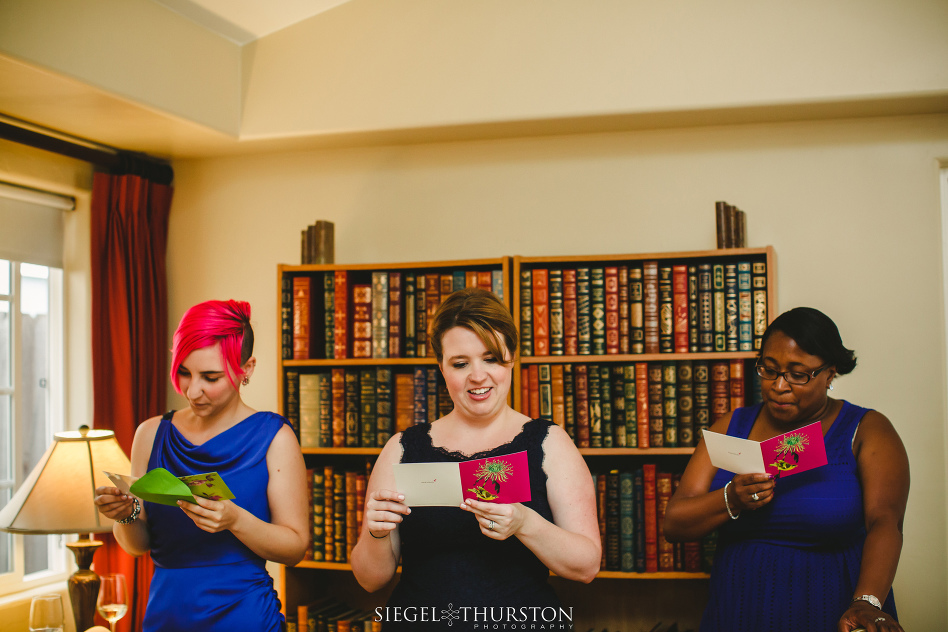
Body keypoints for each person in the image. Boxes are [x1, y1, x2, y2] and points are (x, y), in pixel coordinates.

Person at [350, 287, 601, 630]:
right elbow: (370, 580)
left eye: (492, 358)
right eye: (460, 363)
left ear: (511, 357)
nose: (478, 376)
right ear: (441, 367)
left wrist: (525, 524)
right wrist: (376, 533)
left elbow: (587, 566)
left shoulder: (550, 443)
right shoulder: (402, 449)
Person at [664, 307, 909, 632]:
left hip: (830, 608)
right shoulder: (731, 426)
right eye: (769, 369)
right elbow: (674, 524)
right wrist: (731, 499)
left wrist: (867, 601)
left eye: (798, 374)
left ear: (830, 373)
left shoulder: (866, 430)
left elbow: (885, 523)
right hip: (738, 610)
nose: (779, 386)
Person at [94, 300, 310, 632]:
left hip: (244, 617)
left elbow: (295, 548)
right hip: (166, 616)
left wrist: (236, 519)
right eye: (184, 372)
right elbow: (137, 546)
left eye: (210, 377)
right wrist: (125, 514)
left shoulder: (275, 437)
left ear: (247, 368)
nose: (193, 391)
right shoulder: (150, 433)